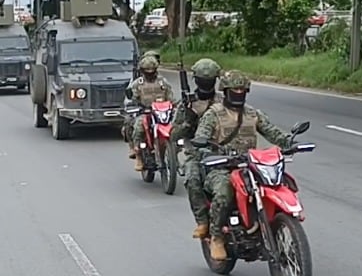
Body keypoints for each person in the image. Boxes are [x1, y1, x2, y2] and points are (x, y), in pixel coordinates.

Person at [187, 70, 296, 260]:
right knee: (224, 192)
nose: (239, 92)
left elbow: (272, 132)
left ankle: (272, 225)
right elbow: (201, 136)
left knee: (279, 184)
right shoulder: (214, 114)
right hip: (220, 166)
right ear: (226, 90)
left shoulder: (253, 114)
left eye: (242, 89)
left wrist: (290, 143)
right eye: (235, 89)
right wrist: (204, 146)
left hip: (250, 166)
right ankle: (217, 237)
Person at [174, 58, 223, 207]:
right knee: (192, 180)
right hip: (197, 152)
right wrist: (188, 121)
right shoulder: (187, 103)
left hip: (223, 150)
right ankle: (202, 221)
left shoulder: (224, 100)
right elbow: (174, 134)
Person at [122, 53, 175, 168]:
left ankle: (174, 151)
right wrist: (134, 106)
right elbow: (131, 100)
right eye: (147, 71)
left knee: (177, 126)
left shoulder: (163, 82)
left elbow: (171, 98)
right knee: (138, 127)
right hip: (146, 113)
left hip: (163, 113)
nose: (150, 74)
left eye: (152, 71)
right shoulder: (137, 84)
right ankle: (138, 155)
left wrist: (176, 105)